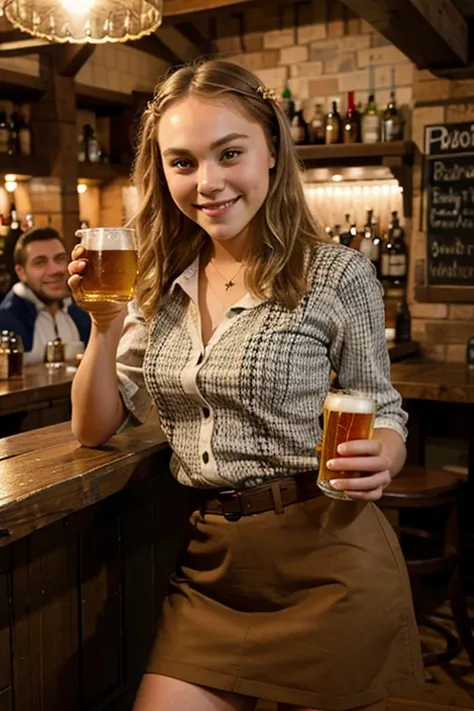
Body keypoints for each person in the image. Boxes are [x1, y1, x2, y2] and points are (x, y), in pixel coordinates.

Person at [68, 60, 424, 711]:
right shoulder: (158, 283)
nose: (208, 182)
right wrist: (106, 323)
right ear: (161, 172)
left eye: (229, 152)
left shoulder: (337, 274)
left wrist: (387, 454)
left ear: (271, 151)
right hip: (211, 567)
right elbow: (94, 426)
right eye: (182, 162)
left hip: (328, 554)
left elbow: (385, 405)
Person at [0, 226, 91, 365]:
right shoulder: (5, 320)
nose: (55, 270)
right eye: (40, 262)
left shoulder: (80, 313)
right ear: (21, 272)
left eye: (60, 258)